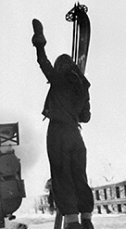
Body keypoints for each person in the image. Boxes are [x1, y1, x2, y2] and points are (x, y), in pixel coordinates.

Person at [32, 19, 94, 229]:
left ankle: (72, 223)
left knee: (62, 177)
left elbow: (43, 62)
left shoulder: (58, 80)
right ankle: (87, 220)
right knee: (80, 177)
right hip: (76, 136)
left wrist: (39, 40)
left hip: (58, 133)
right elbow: (86, 117)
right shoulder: (83, 86)